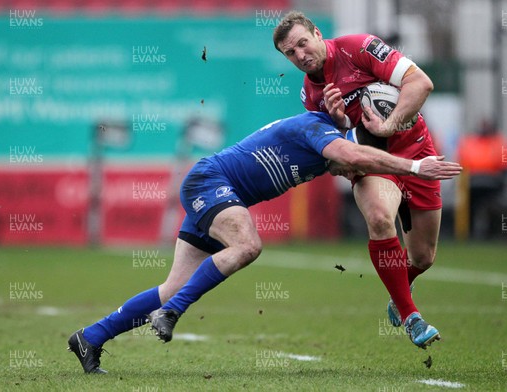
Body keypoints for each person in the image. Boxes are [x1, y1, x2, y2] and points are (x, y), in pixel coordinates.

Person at [68, 111, 462, 373]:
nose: (351, 172)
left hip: (218, 190)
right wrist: (414, 167)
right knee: (247, 245)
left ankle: (90, 337)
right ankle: (172, 313)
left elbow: (351, 156)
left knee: (174, 285)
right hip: (211, 183)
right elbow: (353, 153)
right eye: (355, 164)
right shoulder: (321, 132)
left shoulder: (325, 138)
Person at [273, 11, 446, 349]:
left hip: (417, 154)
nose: (300, 56)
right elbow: (335, 160)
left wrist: (390, 123)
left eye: (302, 44)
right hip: (375, 167)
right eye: (290, 54)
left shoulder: (360, 48)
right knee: (380, 218)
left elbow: (421, 83)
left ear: (318, 34)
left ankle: (400, 289)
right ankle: (413, 318)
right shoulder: (312, 98)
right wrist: (340, 127)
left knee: (423, 257)